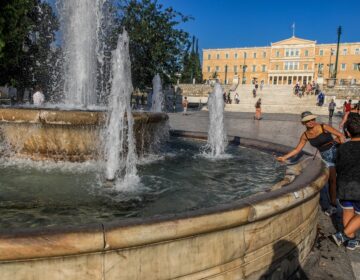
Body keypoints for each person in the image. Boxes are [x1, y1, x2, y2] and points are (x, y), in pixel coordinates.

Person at [276, 111, 346, 216]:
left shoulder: (323, 127)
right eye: (307, 121)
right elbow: (297, 149)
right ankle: (333, 205)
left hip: (336, 152)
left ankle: (347, 198)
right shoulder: (305, 136)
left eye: (312, 119)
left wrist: (342, 147)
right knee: (332, 180)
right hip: (326, 158)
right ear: (303, 123)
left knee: (341, 177)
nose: (311, 122)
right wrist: (284, 157)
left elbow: (340, 135)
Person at [332, 116, 360, 250]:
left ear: (348, 132)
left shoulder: (342, 148)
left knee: (347, 211)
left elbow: (337, 166)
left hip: (344, 185)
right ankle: (342, 235)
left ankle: (351, 241)